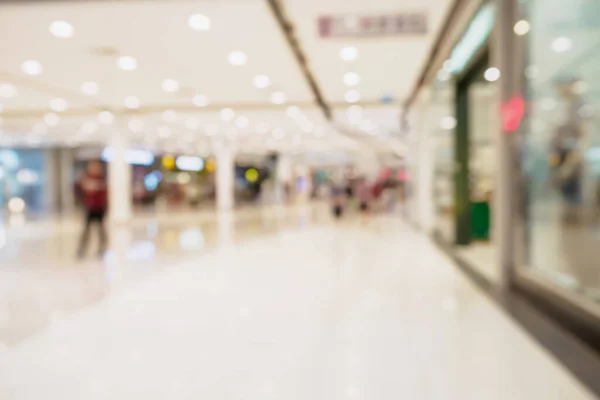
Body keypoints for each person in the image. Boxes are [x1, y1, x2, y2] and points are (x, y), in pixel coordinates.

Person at [77, 160, 108, 258]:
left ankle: (102, 249)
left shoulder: (102, 178)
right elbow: (83, 189)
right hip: (90, 208)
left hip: (100, 208)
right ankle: (82, 250)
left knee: (101, 230)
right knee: (86, 230)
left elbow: (105, 193)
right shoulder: (86, 178)